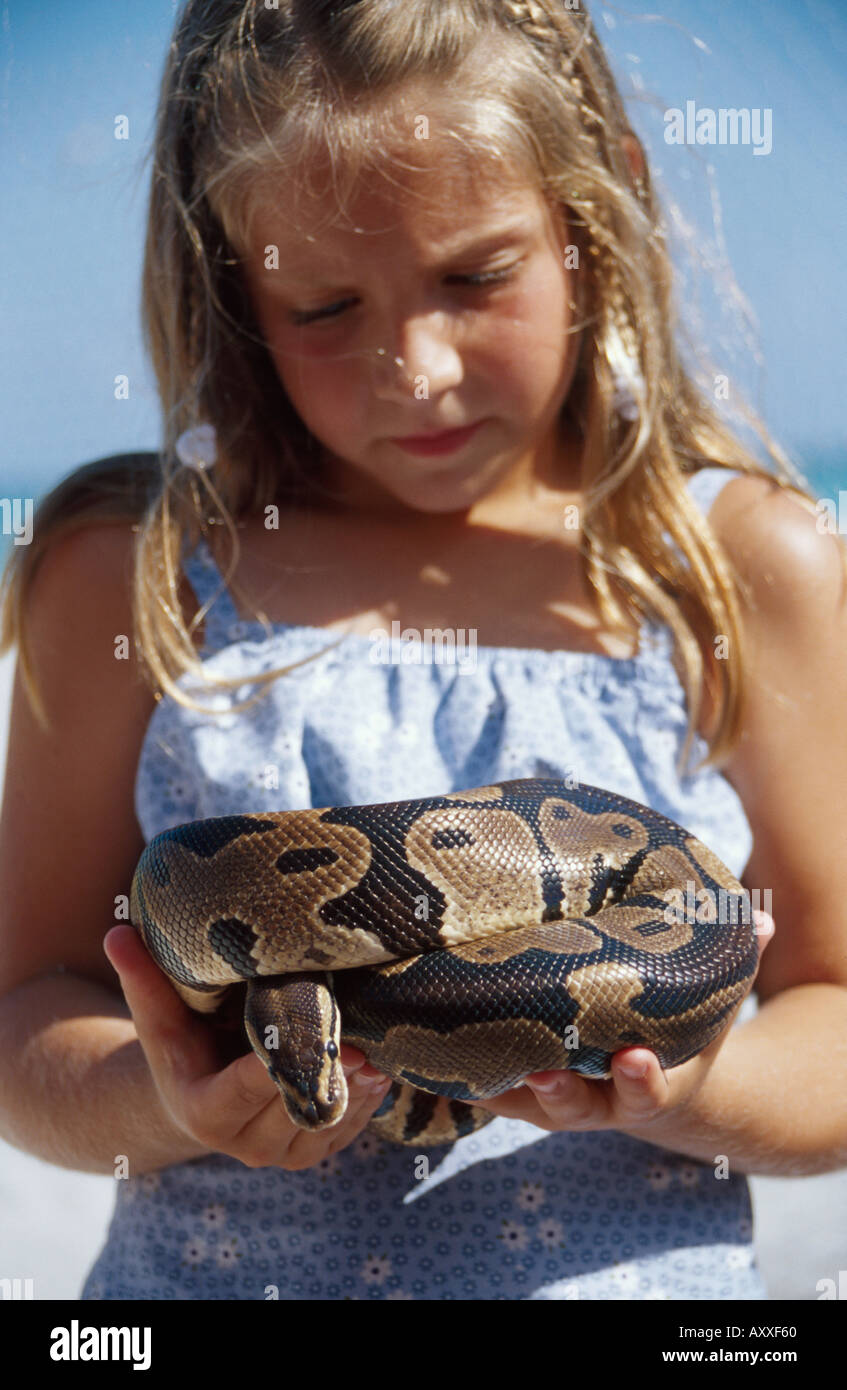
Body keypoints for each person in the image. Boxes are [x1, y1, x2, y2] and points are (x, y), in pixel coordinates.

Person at [1, 0, 845, 1303]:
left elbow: (836, 1011)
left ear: (594, 207)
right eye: (326, 303)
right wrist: (162, 1100)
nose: (418, 365)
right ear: (230, 283)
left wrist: (678, 1078)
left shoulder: (740, 569)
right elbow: (23, 1010)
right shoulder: (133, 572)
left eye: (475, 274)